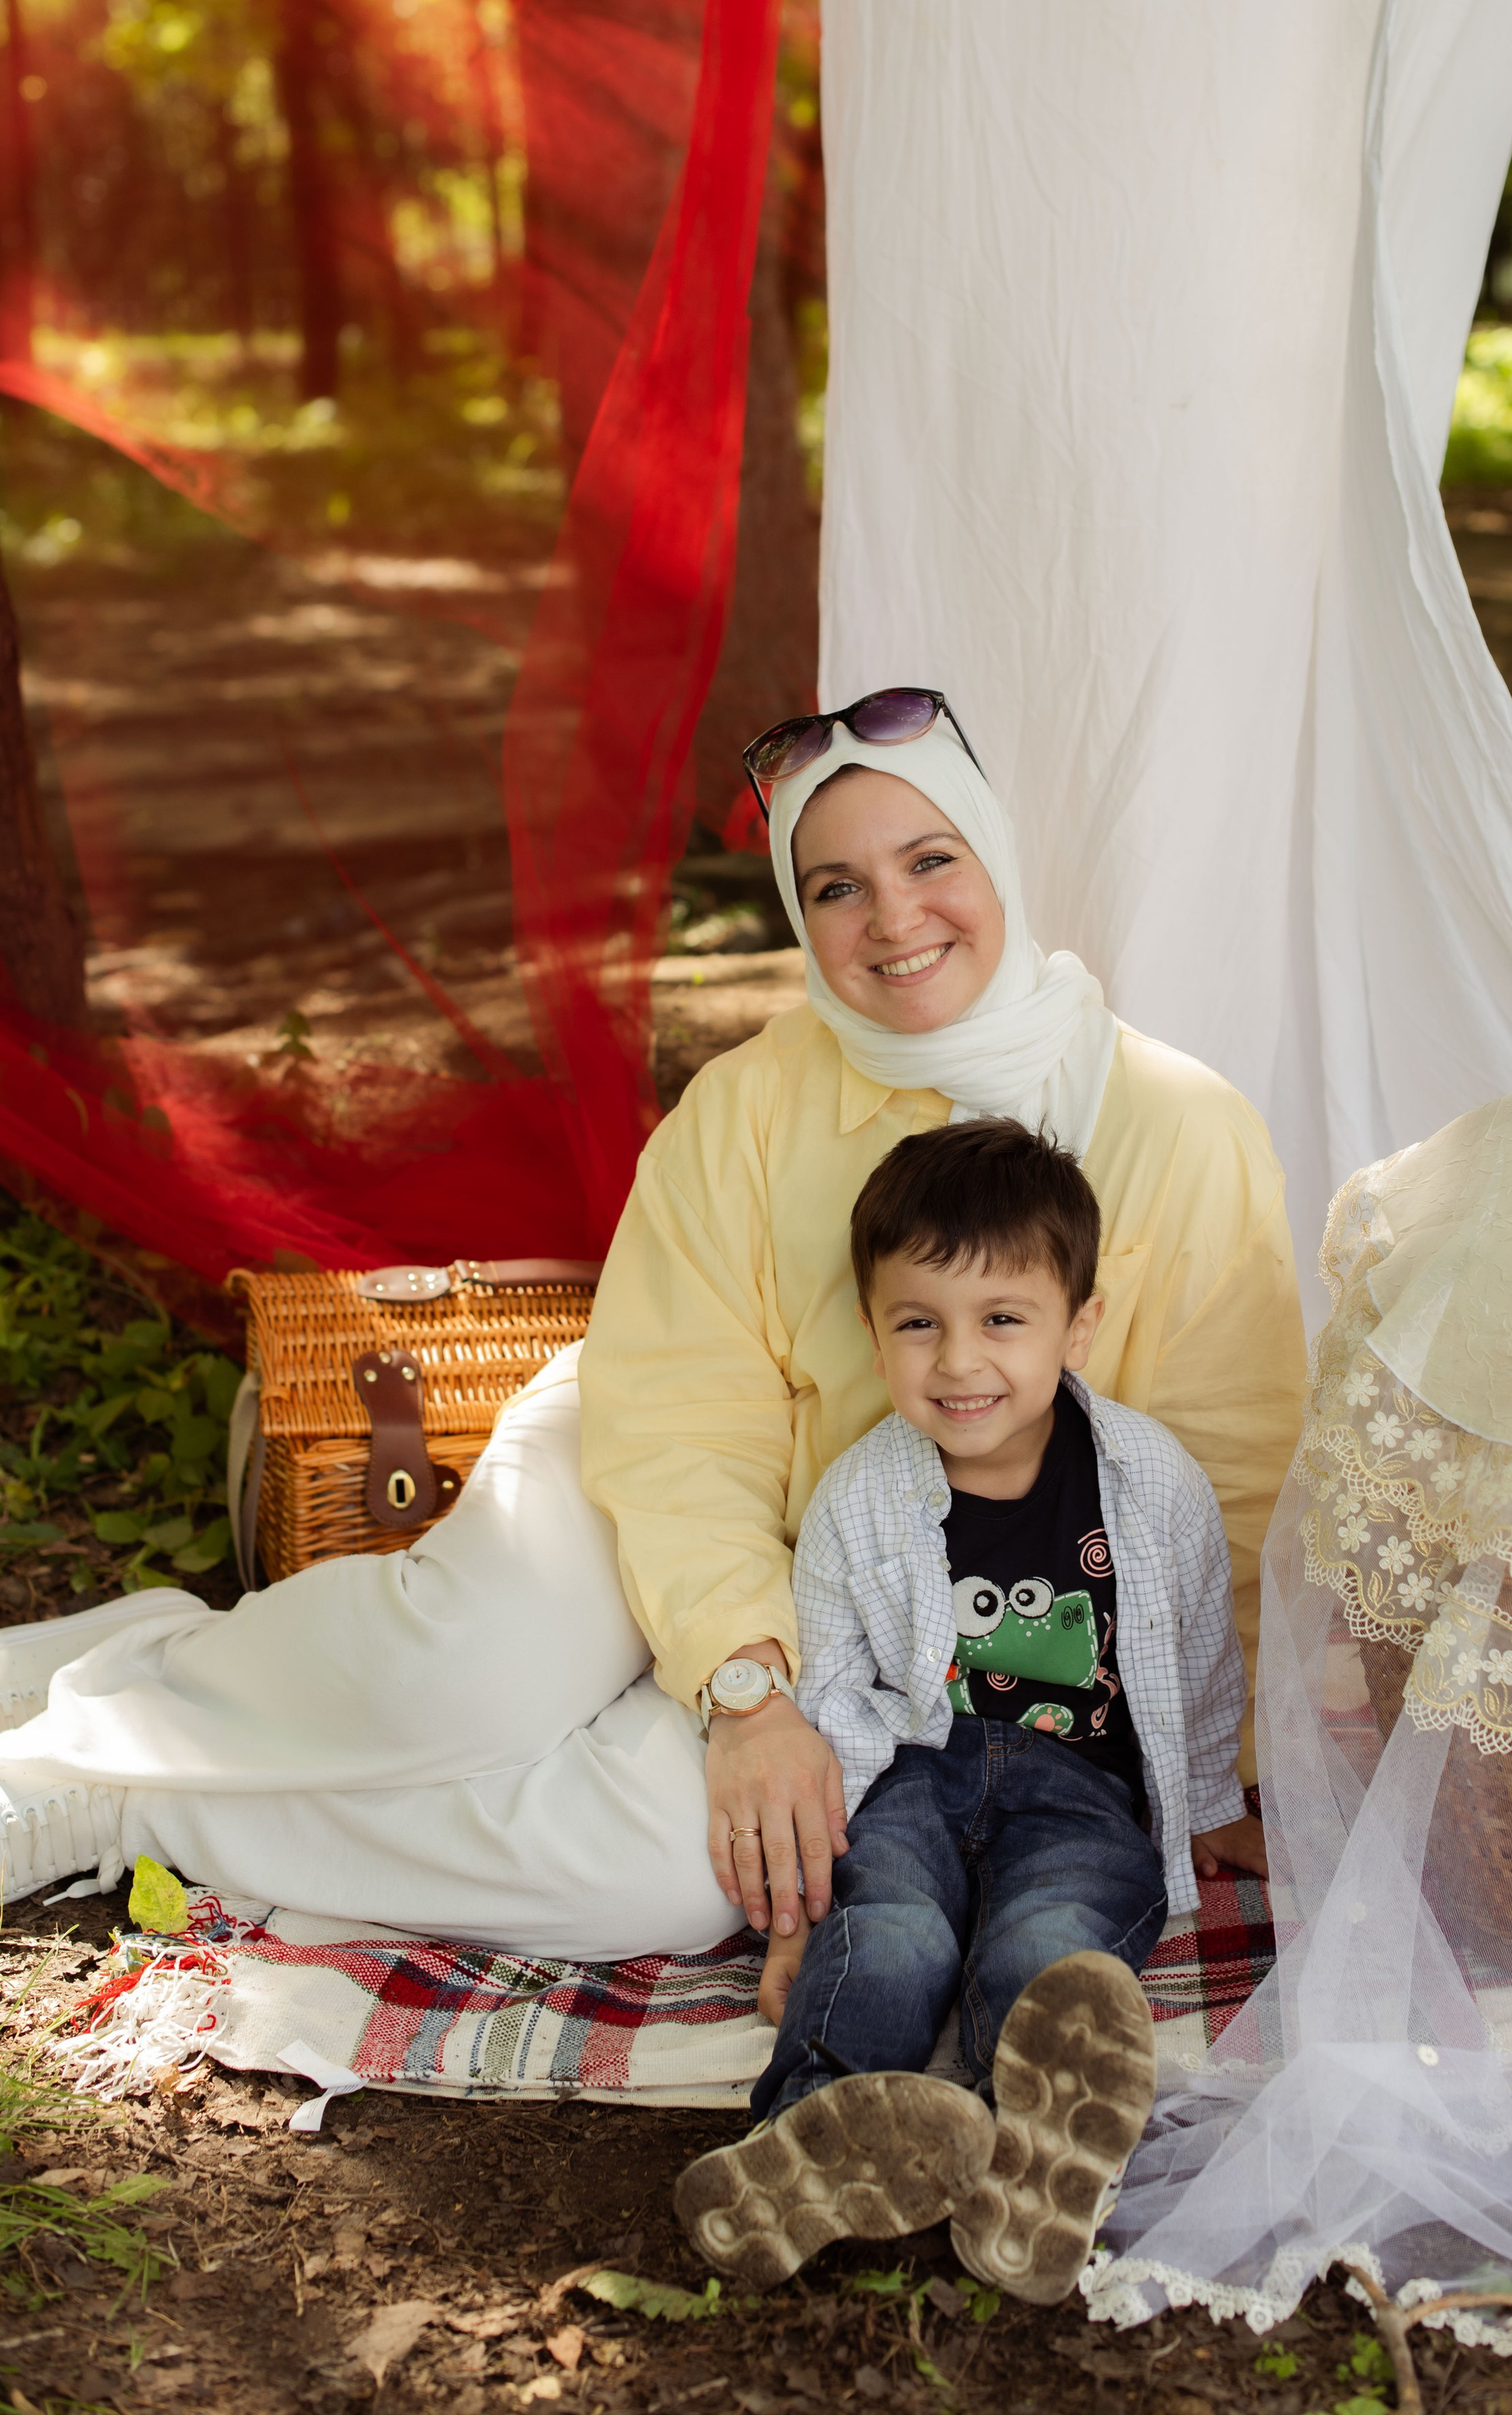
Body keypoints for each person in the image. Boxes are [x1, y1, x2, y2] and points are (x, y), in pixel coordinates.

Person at [0, 695, 1305, 1996]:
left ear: (996, 859)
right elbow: (684, 1415)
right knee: (475, 1676)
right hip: (655, 1448)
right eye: (837, 885)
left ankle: (140, 1815)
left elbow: (1230, 1467)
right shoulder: (746, 1107)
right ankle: (127, 1699)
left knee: (685, 1878)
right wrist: (747, 1691)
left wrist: (1209, 1758)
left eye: (930, 861)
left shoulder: (1176, 1124)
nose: (894, 919)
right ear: (801, 918)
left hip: (886, 1581)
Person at [674, 1115, 1246, 2303]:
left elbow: (1195, 1655)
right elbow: (830, 1692)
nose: (958, 1362)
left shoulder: (1151, 1483)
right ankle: (805, 2141)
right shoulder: (859, 1498)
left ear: (1076, 1327)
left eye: (1002, 1321)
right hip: (913, 1780)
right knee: (890, 1938)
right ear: (875, 1332)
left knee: (1054, 1949)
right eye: (918, 1324)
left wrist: (1207, 1803)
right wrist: (801, 1909)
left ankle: (1024, 2166)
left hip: (1082, 1796)